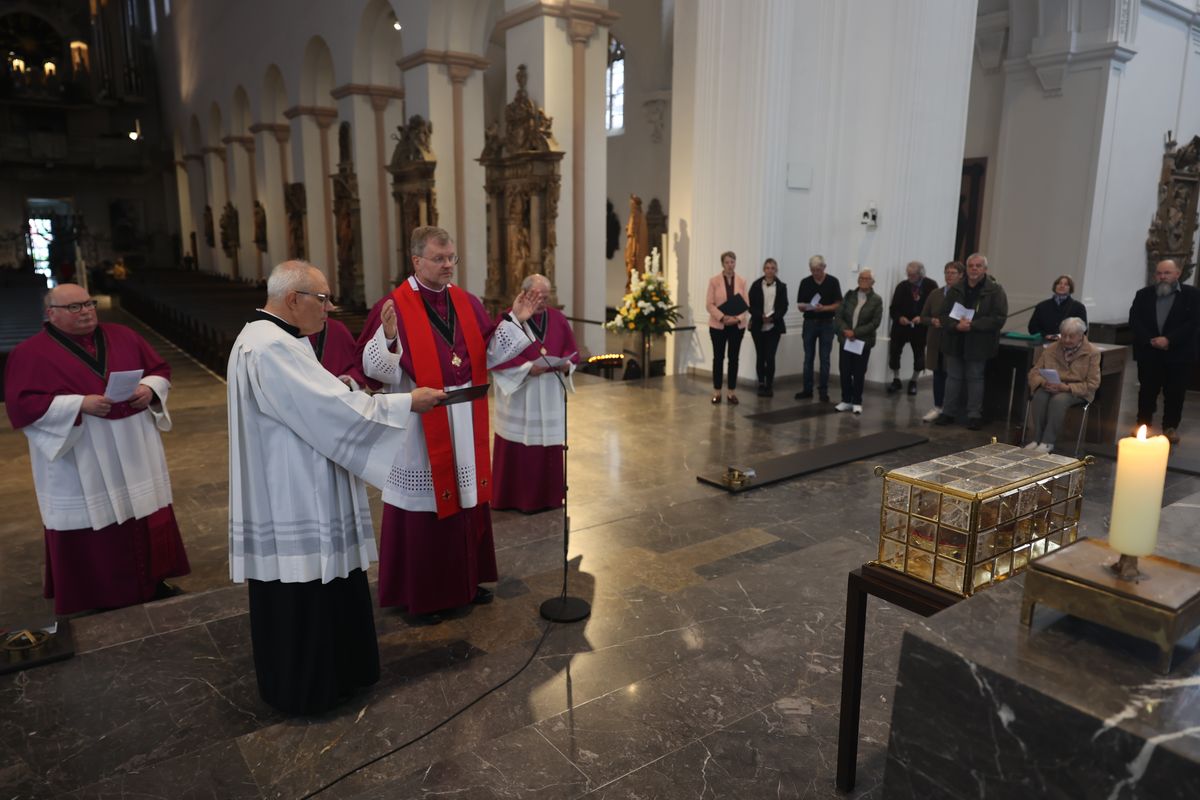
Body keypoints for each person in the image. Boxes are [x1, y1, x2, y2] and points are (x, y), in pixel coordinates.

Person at [227, 260, 444, 715]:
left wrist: (344, 385)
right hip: (294, 489)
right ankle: (311, 687)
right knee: (306, 580)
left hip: (297, 476)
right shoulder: (270, 348)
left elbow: (316, 395)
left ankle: (341, 672)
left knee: (322, 582)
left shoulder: (274, 338)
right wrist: (407, 402)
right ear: (293, 300)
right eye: (322, 298)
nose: (330, 307)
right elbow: (329, 413)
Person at [357, 226, 538, 616]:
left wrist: (516, 321)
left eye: (452, 258)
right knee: (426, 514)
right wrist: (388, 336)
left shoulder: (466, 302)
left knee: (467, 504)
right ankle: (426, 596)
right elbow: (374, 372)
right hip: (420, 426)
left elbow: (485, 353)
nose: (448, 265)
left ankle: (466, 584)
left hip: (464, 420)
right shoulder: (394, 306)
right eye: (439, 259)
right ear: (416, 260)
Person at [4, 283, 190, 615]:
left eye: (88, 304)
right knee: (92, 522)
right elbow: (22, 405)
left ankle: (154, 581)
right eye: (74, 307)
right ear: (52, 314)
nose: (86, 311)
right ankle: (95, 595)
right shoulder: (29, 353)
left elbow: (159, 369)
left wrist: (149, 389)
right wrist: (78, 404)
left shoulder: (124, 335)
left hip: (134, 445)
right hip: (82, 452)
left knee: (145, 512)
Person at [491, 274, 579, 512]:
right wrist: (527, 368)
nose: (542, 302)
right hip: (521, 395)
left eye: (545, 297)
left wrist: (566, 366)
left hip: (549, 391)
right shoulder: (510, 320)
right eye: (536, 296)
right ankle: (513, 498)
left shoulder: (558, 319)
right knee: (519, 450)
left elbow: (572, 353)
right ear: (524, 293)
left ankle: (549, 498)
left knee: (547, 449)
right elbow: (495, 357)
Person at [1128, 258, 1200, 444]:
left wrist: (1169, 339)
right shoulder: (1144, 294)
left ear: (1177, 273)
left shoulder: (1192, 295)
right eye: (1159, 273)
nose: (1162, 276)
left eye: (1167, 273)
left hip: (1179, 354)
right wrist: (1150, 340)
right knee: (1147, 391)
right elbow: (1135, 320)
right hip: (1149, 353)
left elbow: (1192, 323)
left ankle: (1170, 427)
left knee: (1175, 393)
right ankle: (1143, 424)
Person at [936, 253, 1008, 431]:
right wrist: (956, 326)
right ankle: (948, 412)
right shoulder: (955, 289)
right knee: (952, 378)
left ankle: (974, 415)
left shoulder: (995, 290)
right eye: (971, 266)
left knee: (975, 378)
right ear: (966, 269)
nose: (974, 269)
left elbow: (999, 318)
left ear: (985, 269)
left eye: (978, 266)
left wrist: (973, 325)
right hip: (955, 340)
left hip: (978, 343)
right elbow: (943, 315)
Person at [1024, 317, 1100, 453]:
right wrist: (1043, 382)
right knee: (1039, 396)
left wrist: (1066, 388)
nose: (1066, 340)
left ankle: (1048, 442)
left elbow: (1093, 384)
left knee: (1059, 400)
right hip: (1052, 385)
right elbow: (1034, 372)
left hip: (1077, 390)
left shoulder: (1092, 352)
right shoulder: (1051, 348)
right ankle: (1036, 439)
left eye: (1071, 336)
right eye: (1063, 336)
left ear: (1081, 335)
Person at [834, 270, 883, 415]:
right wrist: (846, 331)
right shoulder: (849, 295)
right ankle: (846, 400)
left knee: (859, 372)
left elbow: (875, 322)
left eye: (867, 278)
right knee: (845, 370)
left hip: (862, 342)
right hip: (846, 339)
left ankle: (856, 401)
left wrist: (856, 332)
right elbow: (839, 315)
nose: (863, 280)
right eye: (861, 278)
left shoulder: (876, 300)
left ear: (872, 282)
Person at [794, 255, 843, 402]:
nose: (816, 273)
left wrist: (825, 308)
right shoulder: (805, 282)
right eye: (813, 270)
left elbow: (839, 304)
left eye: (819, 269)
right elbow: (800, 305)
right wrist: (807, 307)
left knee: (825, 358)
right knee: (808, 357)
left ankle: (823, 391)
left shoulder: (833, 281)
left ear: (824, 267)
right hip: (809, 323)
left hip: (827, 323)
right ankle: (807, 389)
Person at [919, 261, 963, 422]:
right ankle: (938, 406)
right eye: (947, 272)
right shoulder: (935, 294)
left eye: (953, 273)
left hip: (953, 340)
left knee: (952, 374)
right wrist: (932, 321)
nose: (949, 276)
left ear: (960, 275)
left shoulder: (962, 294)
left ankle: (951, 408)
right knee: (938, 374)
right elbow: (923, 316)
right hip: (936, 340)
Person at [886, 261, 938, 395]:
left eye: (913, 275)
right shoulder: (902, 286)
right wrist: (899, 318)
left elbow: (935, 308)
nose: (910, 277)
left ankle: (914, 381)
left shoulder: (931, 286)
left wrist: (922, 318)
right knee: (895, 352)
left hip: (920, 326)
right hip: (902, 326)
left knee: (919, 355)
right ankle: (896, 379)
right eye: (908, 274)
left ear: (921, 274)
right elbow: (893, 308)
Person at [705, 250, 750, 404]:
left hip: (737, 326)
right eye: (727, 262)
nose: (730, 265)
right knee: (718, 358)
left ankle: (731, 392)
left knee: (733, 358)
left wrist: (737, 319)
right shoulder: (714, 281)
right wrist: (723, 317)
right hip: (718, 326)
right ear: (722, 264)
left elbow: (746, 305)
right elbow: (709, 304)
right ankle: (717, 391)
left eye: (732, 262)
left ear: (735, 263)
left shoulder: (742, 281)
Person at [748, 257, 789, 397]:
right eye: (767, 268)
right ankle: (760, 383)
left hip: (774, 326)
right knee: (760, 356)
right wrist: (761, 316)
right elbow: (750, 305)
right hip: (758, 326)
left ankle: (769, 384)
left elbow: (784, 306)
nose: (770, 270)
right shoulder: (755, 285)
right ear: (763, 270)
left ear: (776, 270)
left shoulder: (782, 286)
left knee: (770, 357)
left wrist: (772, 318)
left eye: (772, 268)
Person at [308, 317, 366, 388]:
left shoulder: (336, 328)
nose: (330, 307)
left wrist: (347, 381)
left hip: (335, 394)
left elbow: (357, 366)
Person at [1028, 275, 1088, 340]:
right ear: (1055, 286)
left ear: (1070, 288)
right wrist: (1045, 335)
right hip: (1044, 343)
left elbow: (1082, 329)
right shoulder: (1041, 306)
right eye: (1059, 283)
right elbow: (1032, 327)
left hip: (1068, 344)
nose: (1062, 286)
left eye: (1066, 284)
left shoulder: (1078, 307)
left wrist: (1064, 337)